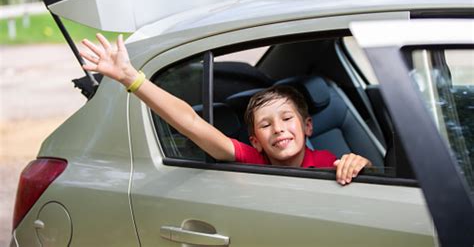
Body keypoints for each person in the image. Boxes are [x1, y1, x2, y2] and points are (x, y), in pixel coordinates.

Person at [80, 33, 372, 185]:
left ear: (308, 126)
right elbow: (191, 122)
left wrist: (361, 165)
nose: (279, 128)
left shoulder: (325, 161)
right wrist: (132, 79)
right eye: (266, 125)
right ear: (255, 141)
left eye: (286, 118)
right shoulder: (253, 161)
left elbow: (366, 177)